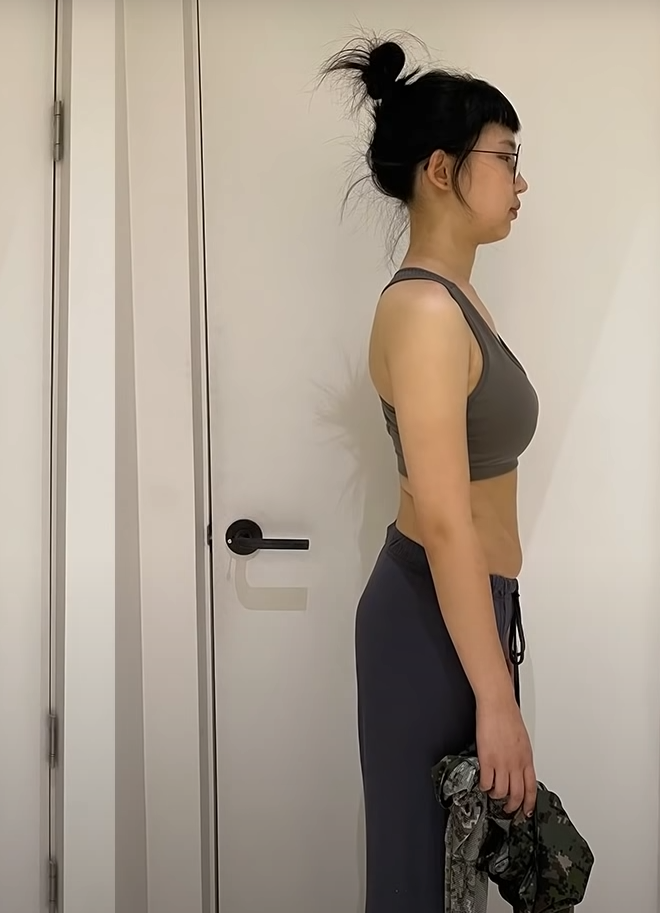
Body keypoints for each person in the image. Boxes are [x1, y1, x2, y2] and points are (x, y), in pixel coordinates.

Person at [327, 36, 535, 911]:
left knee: (459, 882)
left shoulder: (455, 298)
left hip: (471, 610)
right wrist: (494, 696)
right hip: (429, 621)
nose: (520, 181)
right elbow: (445, 518)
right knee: (418, 882)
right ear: (443, 170)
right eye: (506, 157)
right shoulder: (421, 310)